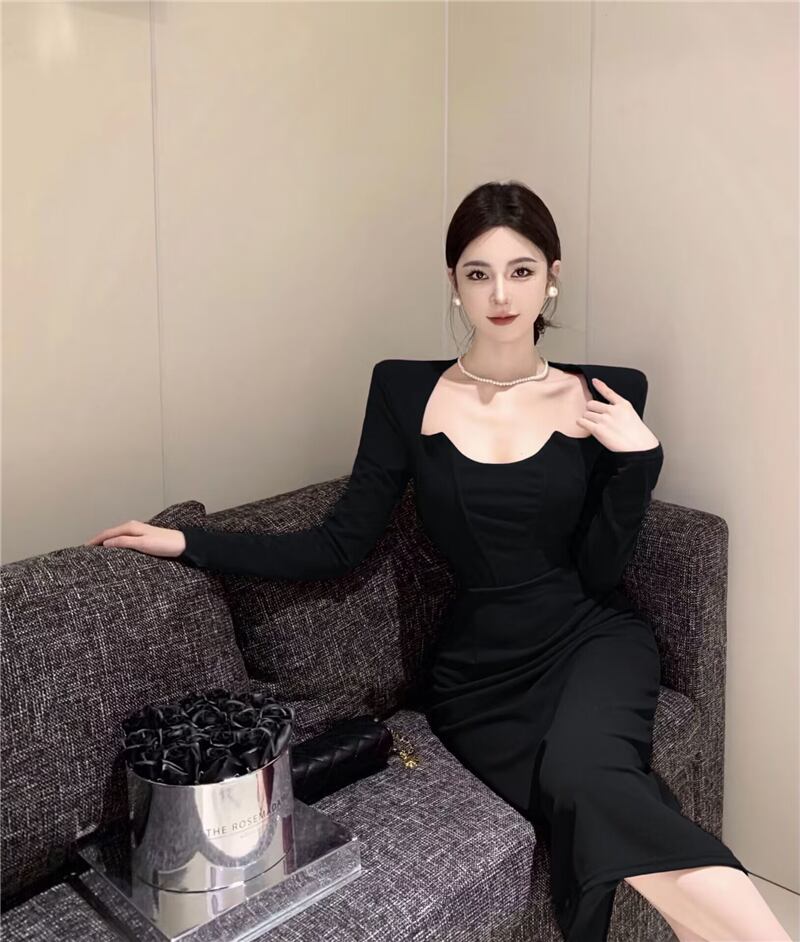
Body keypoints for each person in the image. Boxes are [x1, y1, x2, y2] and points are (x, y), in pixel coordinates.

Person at [86, 181, 790, 942]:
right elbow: (339, 543)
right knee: (584, 790)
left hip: (592, 638)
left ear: (553, 277)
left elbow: (599, 570)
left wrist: (638, 462)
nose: (500, 294)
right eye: (478, 273)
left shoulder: (609, 394)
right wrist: (191, 540)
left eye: (521, 271)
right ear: (453, 282)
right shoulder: (403, 389)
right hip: (480, 673)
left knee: (586, 776)